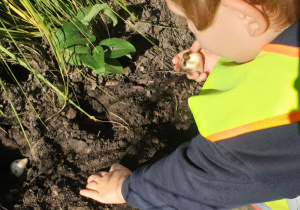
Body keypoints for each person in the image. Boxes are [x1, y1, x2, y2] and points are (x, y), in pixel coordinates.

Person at [80, 0, 300, 209]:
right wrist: (232, 53)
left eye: (190, 20)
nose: (189, 28)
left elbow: (198, 183)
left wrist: (126, 188)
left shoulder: (258, 134)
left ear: (247, 17)